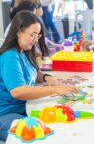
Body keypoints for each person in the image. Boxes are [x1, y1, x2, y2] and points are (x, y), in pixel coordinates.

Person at [0, 10, 77, 141]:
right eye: (32, 35)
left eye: (38, 35)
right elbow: (18, 91)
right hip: (6, 114)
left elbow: (33, 73)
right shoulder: (10, 56)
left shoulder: (23, 51)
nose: (36, 39)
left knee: (55, 124)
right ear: (19, 32)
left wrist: (48, 78)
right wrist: (54, 89)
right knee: (36, 134)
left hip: (24, 108)